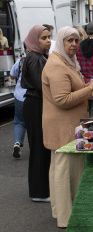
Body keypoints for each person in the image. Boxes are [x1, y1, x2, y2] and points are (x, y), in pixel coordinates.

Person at [42, 26, 93, 228]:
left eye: (77, 40)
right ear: (61, 42)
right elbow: (62, 100)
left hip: (67, 125)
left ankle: (63, 212)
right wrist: (90, 89)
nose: (74, 44)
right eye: (70, 41)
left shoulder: (66, 61)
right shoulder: (57, 65)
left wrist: (88, 85)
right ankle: (66, 217)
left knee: (64, 170)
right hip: (63, 126)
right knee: (65, 171)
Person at [21, 25, 51, 202]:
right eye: (43, 38)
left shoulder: (39, 56)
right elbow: (42, 85)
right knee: (39, 148)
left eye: (48, 37)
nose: (48, 41)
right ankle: (39, 192)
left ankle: (41, 189)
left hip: (37, 103)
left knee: (42, 147)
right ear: (34, 40)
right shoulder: (34, 58)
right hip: (35, 104)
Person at [10, 55, 27, 158]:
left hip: (20, 97)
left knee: (19, 122)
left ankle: (17, 143)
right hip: (35, 98)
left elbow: (12, 75)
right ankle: (37, 148)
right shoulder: (42, 58)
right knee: (35, 123)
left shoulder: (21, 60)